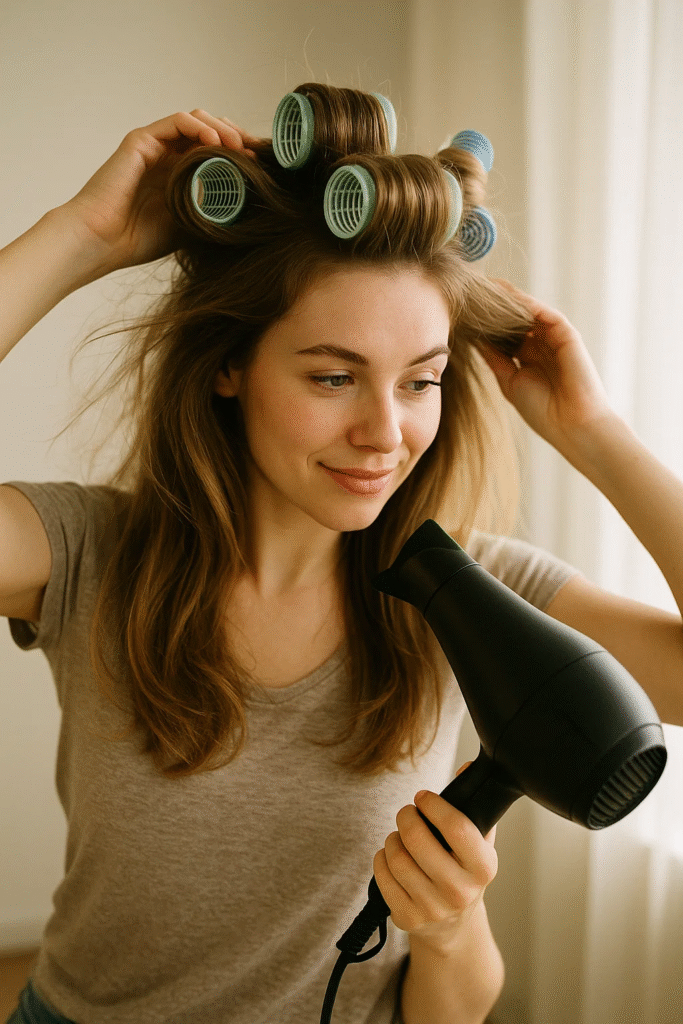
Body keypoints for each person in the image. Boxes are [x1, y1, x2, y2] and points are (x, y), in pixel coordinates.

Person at [2, 85, 682, 1024]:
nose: (385, 432)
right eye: (333, 376)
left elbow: (454, 1006)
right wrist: (81, 236)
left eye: (421, 381)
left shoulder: (470, 594)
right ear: (228, 366)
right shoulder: (87, 553)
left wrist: (595, 432)